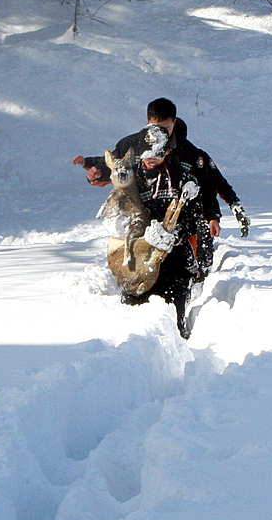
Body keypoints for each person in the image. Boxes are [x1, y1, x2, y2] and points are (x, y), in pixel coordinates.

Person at [101, 123, 218, 339]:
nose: (151, 160)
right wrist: (121, 225)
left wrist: (175, 236)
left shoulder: (183, 178)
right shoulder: (132, 177)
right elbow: (117, 206)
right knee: (134, 319)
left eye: (157, 154)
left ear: (167, 152)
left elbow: (194, 217)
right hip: (141, 256)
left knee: (174, 315)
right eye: (147, 154)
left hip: (175, 257)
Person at [72, 97, 250, 237]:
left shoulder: (188, 152)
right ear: (148, 121)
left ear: (174, 122)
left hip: (178, 220)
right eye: (155, 127)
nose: (161, 133)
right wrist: (97, 171)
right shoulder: (132, 144)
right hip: (141, 215)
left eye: (166, 128)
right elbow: (115, 165)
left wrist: (221, 213)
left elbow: (211, 182)